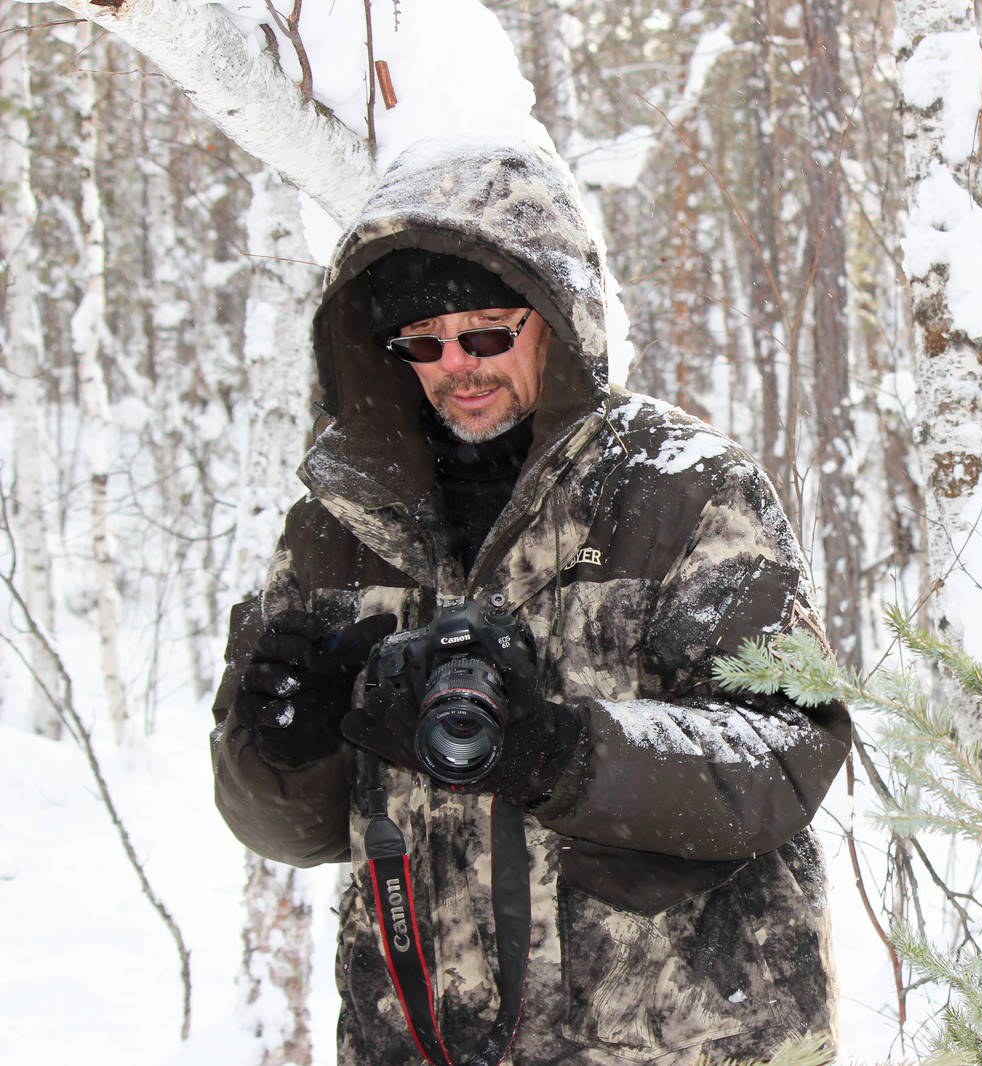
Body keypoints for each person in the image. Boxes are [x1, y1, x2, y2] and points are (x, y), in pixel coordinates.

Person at [210, 135, 850, 1066]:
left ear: (557, 318)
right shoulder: (336, 529)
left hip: (669, 1042)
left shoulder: (684, 490)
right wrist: (284, 746)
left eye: (486, 334)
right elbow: (284, 831)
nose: (455, 366)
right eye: (423, 344)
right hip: (415, 1037)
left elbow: (786, 752)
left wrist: (561, 753)